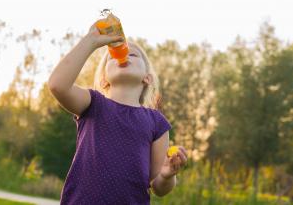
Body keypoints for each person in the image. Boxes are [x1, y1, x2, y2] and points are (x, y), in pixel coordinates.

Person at [48, 20, 188, 204]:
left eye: (134, 55)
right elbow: (57, 85)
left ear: (147, 78)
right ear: (104, 79)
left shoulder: (156, 123)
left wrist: (167, 175)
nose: (124, 54)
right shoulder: (93, 103)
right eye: (112, 56)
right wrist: (90, 41)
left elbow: (158, 186)